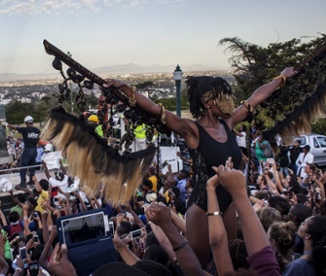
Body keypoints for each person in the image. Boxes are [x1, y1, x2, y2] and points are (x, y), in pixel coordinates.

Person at [104, 66, 297, 267]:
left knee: (229, 259)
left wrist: (281, 77)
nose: (230, 101)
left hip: (229, 201)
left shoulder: (228, 123)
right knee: (199, 265)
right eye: (224, 97)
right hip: (202, 206)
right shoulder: (192, 130)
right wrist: (125, 88)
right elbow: (154, 108)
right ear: (208, 103)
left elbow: (256, 97)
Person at [7, 115, 41, 188]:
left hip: (28, 150)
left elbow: (14, 127)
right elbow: (38, 140)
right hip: (34, 150)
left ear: (26, 123)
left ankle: (23, 183)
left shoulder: (25, 129)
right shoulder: (38, 130)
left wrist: (6, 124)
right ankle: (32, 181)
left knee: (23, 167)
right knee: (32, 167)